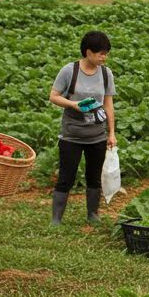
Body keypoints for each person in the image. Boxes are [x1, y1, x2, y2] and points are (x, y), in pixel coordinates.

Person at [49, 31, 117, 225]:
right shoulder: (69, 71)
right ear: (88, 52)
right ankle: (56, 219)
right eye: (101, 53)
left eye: (106, 53)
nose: (104, 57)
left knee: (94, 177)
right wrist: (73, 104)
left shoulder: (106, 74)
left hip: (97, 135)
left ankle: (92, 214)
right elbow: (53, 96)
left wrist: (111, 133)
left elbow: (108, 104)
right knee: (66, 177)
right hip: (72, 135)